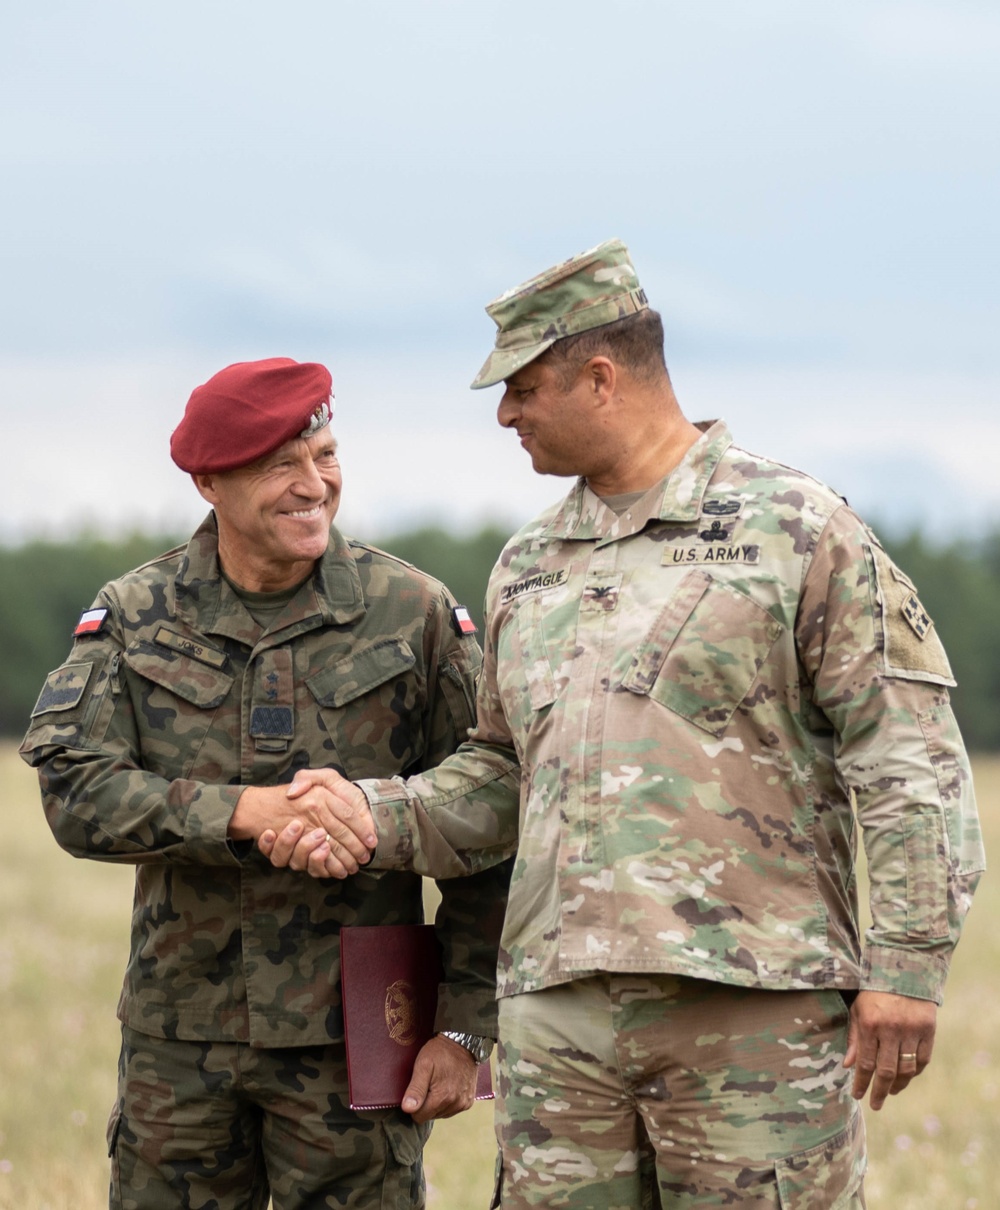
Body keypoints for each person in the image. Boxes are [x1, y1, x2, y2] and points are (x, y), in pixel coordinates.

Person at [260, 243, 984, 1208]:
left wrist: (908, 968)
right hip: (562, 1029)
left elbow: (910, 758)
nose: (506, 413)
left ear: (602, 377)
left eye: (522, 386)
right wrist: (373, 812)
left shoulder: (797, 531)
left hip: (751, 1016)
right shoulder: (529, 564)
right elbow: (504, 773)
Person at [20, 357, 513, 1210]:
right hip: (180, 1042)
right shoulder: (137, 615)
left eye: (323, 453)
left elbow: (490, 815)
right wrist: (243, 814)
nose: (312, 484)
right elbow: (73, 787)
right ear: (211, 479)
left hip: (359, 1039)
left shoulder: (415, 612)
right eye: (279, 465)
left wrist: (465, 1024)